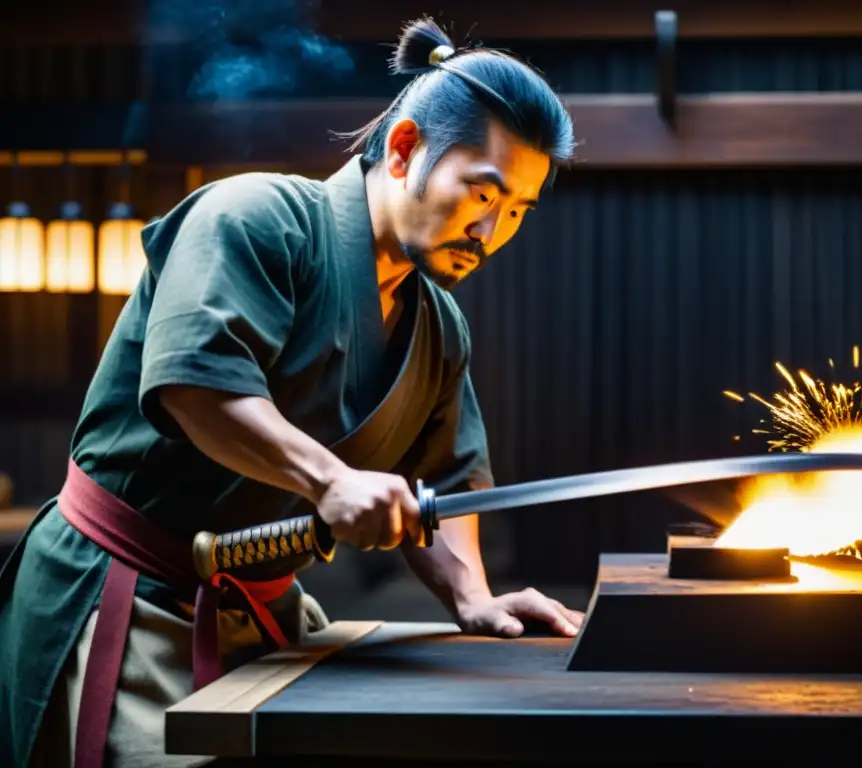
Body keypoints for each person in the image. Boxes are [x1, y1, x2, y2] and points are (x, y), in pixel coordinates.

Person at [0, 17, 583, 768]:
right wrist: (332, 480)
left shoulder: (439, 329)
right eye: (483, 194)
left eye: (517, 213)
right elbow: (196, 385)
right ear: (404, 149)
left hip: (268, 613)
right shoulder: (251, 216)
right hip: (131, 597)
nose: (492, 230)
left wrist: (471, 598)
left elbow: (445, 483)